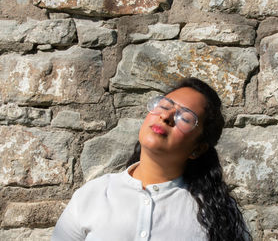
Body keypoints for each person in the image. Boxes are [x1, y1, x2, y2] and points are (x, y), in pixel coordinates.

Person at [52, 77, 251, 241]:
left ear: (197, 149)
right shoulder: (93, 196)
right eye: (164, 105)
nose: (166, 117)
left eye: (186, 118)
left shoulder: (217, 215)